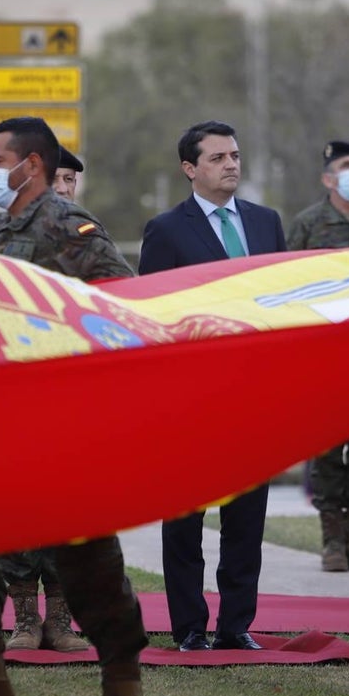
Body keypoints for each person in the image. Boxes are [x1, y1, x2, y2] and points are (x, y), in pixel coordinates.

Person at [0, 117, 153, 696]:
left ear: (33, 164)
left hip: (62, 427)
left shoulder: (67, 227)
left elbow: (119, 303)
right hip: (0, 423)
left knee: (87, 561)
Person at [139, 119, 286, 651]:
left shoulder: (266, 223)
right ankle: (189, 627)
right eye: (219, 157)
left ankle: (235, 624)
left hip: (254, 395)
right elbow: (152, 315)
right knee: (185, 520)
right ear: (189, 168)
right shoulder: (167, 230)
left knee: (247, 519)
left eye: (235, 156)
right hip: (191, 399)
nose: (231, 165)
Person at [0, 143, 94, 656]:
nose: (64, 187)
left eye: (72, 181)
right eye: (59, 178)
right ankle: (25, 619)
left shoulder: (85, 236)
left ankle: (59, 619)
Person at [287, 139, 349, 572]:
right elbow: (286, 285)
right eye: (347, 165)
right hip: (325, 355)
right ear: (328, 177)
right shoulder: (308, 224)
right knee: (327, 447)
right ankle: (332, 541)